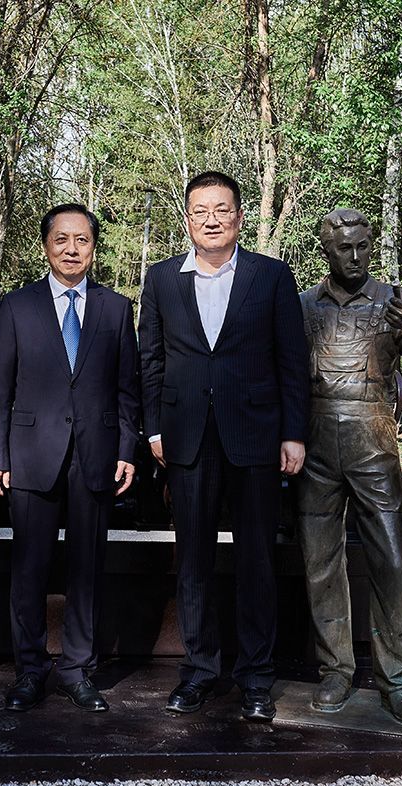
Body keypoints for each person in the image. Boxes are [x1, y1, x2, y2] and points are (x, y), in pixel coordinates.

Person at [137, 171, 311, 722]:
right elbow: (150, 359)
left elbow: (292, 359)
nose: (211, 220)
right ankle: (199, 671)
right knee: (193, 560)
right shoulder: (162, 279)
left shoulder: (271, 275)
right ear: (187, 218)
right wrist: (154, 430)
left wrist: (293, 432)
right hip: (186, 438)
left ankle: (256, 677)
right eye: (200, 211)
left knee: (257, 559)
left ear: (238, 215)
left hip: (256, 437)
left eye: (221, 209)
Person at [0, 204, 141, 713]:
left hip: (97, 455)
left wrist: (127, 450)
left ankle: (77, 669)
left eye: (82, 240)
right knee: (29, 569)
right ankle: (29, 671)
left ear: (94, 247)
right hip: (30, 456)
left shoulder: (116, 309)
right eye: (62, 239)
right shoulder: (17, 306)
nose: (72, 249)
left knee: (87, 569)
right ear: (46, 245)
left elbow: (128, 390)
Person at [297, 208, 402, 728]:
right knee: (320, 561)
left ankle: (397, 680)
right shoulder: (303, 305)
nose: (356, 257)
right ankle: (335, 670)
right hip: (315, 443)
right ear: (326, 250)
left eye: (363, 246)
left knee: (390, 561)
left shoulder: (394, 300)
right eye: (345, 248)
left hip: (374, 441)